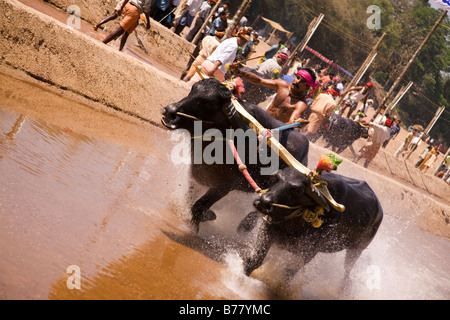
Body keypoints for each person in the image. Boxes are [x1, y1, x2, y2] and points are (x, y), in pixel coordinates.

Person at [232, 66, 318, 124]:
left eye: (302, 81)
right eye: (297, 78)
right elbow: (259, 81)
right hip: (261, 121)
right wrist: (240, 72)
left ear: (307, 88)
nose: (297, 82)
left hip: (274, 132)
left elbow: (290, 125)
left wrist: (295, 123)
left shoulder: (300, 105)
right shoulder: (283, 85)